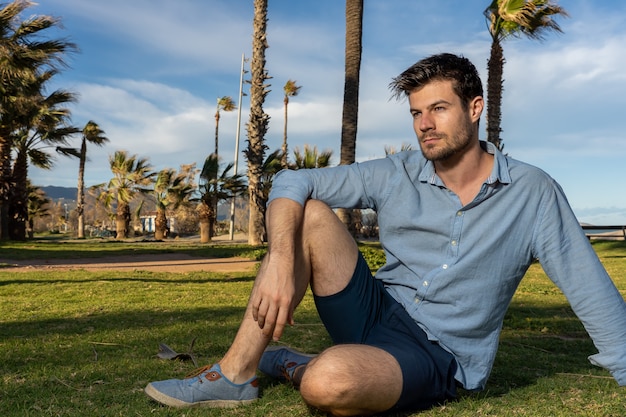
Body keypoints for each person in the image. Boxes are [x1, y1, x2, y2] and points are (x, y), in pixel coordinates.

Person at [144, 53, 626, 415]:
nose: (425, 125)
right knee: (308, 214)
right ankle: (235, 373)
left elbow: (587, 286)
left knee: (327, 382)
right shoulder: (400, 170)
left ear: (475, 107)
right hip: (373, 308)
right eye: (417, 113)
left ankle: (293, 364)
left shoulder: (533, 192)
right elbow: (294, 181)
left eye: (438, 108)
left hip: (439, 353)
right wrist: (281, 261)